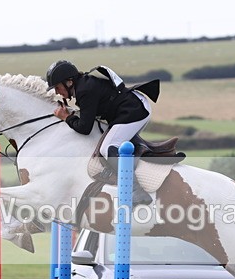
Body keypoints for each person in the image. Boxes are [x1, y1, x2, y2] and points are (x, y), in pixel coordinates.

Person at [46, 60, 155, 204]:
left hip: (135, 111)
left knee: (108, 148)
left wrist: (66, 118)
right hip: (131, 107)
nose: (57, 92)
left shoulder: (84, 90)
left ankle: (137, 190)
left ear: (69, 82)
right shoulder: (83, 86)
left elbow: (84, 128)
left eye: (58, 87)